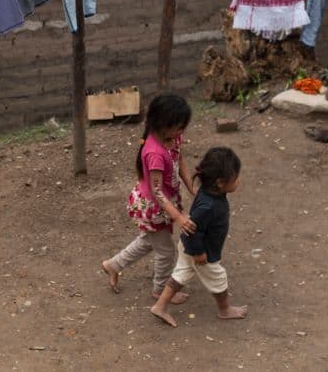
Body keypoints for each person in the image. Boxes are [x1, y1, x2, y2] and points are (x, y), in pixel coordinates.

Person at [102, 94, 196, 302]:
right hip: (154, 206)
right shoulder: (154, 153)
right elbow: (157, 192)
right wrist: (179, 217)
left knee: (150, 241)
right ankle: (160, 290)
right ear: (162, 124)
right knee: (166, 252)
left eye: (183, 127)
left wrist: (190, 186)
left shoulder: (173, 137)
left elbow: (180, 159)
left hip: (163, 204)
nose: (181, 132)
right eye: (178, 127)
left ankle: (113, 265)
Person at [150, 146, 248, 327]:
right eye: (235, 178)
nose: (238, 181)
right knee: (218, 278)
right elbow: (193, 230)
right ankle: (225, 309)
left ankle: (160, 306)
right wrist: (198, 252)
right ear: (220, 182)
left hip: (190, 246)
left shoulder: (210, 192)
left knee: (181, 274)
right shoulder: (208, 206)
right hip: (200, 251)